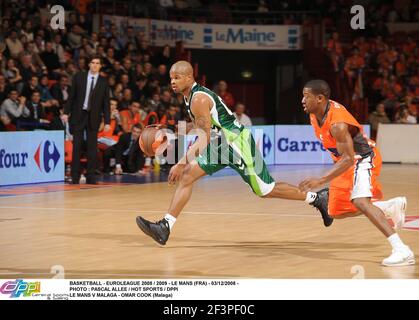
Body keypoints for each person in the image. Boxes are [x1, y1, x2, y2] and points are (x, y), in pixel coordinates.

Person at [136, 61, 333, 246]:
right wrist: (170, 128)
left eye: (177, 77)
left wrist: (180, 162)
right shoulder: (190, 97)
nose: (172, 81)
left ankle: (317, 198)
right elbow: (197, 126)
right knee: (188, 176)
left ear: (189, 77)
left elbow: (202, 138)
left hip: (237, 143)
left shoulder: (199, 99)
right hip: (219, 144)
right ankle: (165, 226)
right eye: (171, 78)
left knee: (265, 190)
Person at [299, 79, 414, 267]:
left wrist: (321, 179)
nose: (302, 101)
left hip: (363, 158)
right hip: (346, 161)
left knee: (361, 202)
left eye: (306, 97)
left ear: (319, 98)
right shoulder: (315, 114)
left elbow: (349, 158)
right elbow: (340, 154)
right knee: (334, 211)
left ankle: (402, 250)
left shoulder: (337, 123)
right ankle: (389, 207)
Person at [63, 56, 110, 184]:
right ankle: (75, 176)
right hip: (79, 115)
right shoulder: (79, 77)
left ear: (100, 66)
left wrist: (107, 121)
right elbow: (72, 96)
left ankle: (91, 176)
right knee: (76, 147)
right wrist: (66, 112)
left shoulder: (103, 81)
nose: (95, 65)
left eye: (97, 63)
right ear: (89, 64)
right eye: (93, 63)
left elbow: (106, 103)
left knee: (92, 149)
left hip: (93, 117)